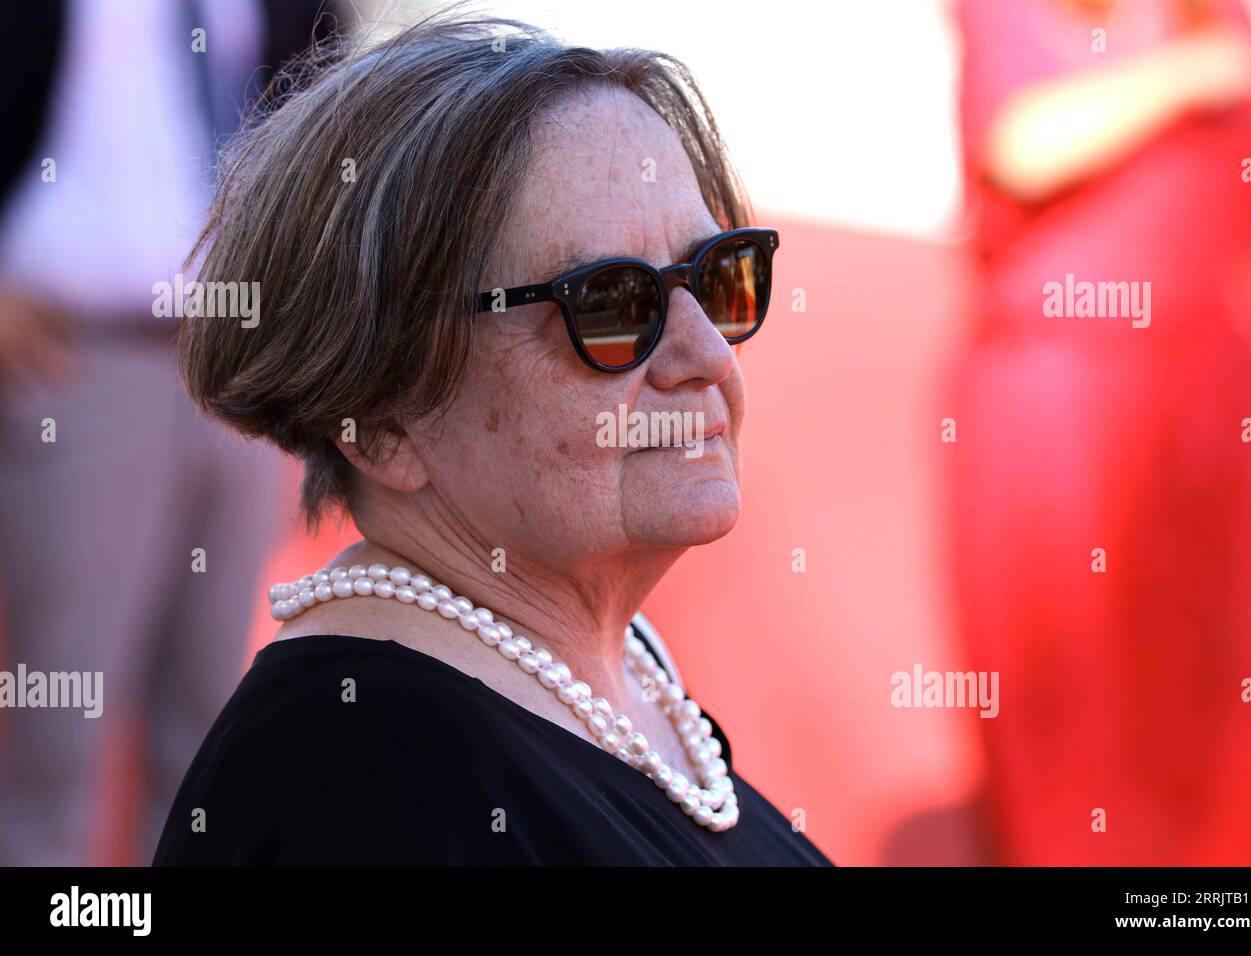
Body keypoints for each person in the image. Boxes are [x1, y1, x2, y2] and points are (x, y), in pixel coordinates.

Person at [153, 9, 833, 866]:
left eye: (720, 277)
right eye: (613, 304)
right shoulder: (360, 768)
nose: (703, 353)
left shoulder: (614, 679)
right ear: (387, 416)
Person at [949, 0, 1251, 864]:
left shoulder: (1222, 15)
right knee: (1083, 708)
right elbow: (1022, 146)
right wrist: (1184, 75)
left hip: (1226, 399)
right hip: (1063, 402)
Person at [0, 0, 343, 865]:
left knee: (212, 735)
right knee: (53, 738)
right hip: (76, 363)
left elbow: (336, 128)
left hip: (238, 369)